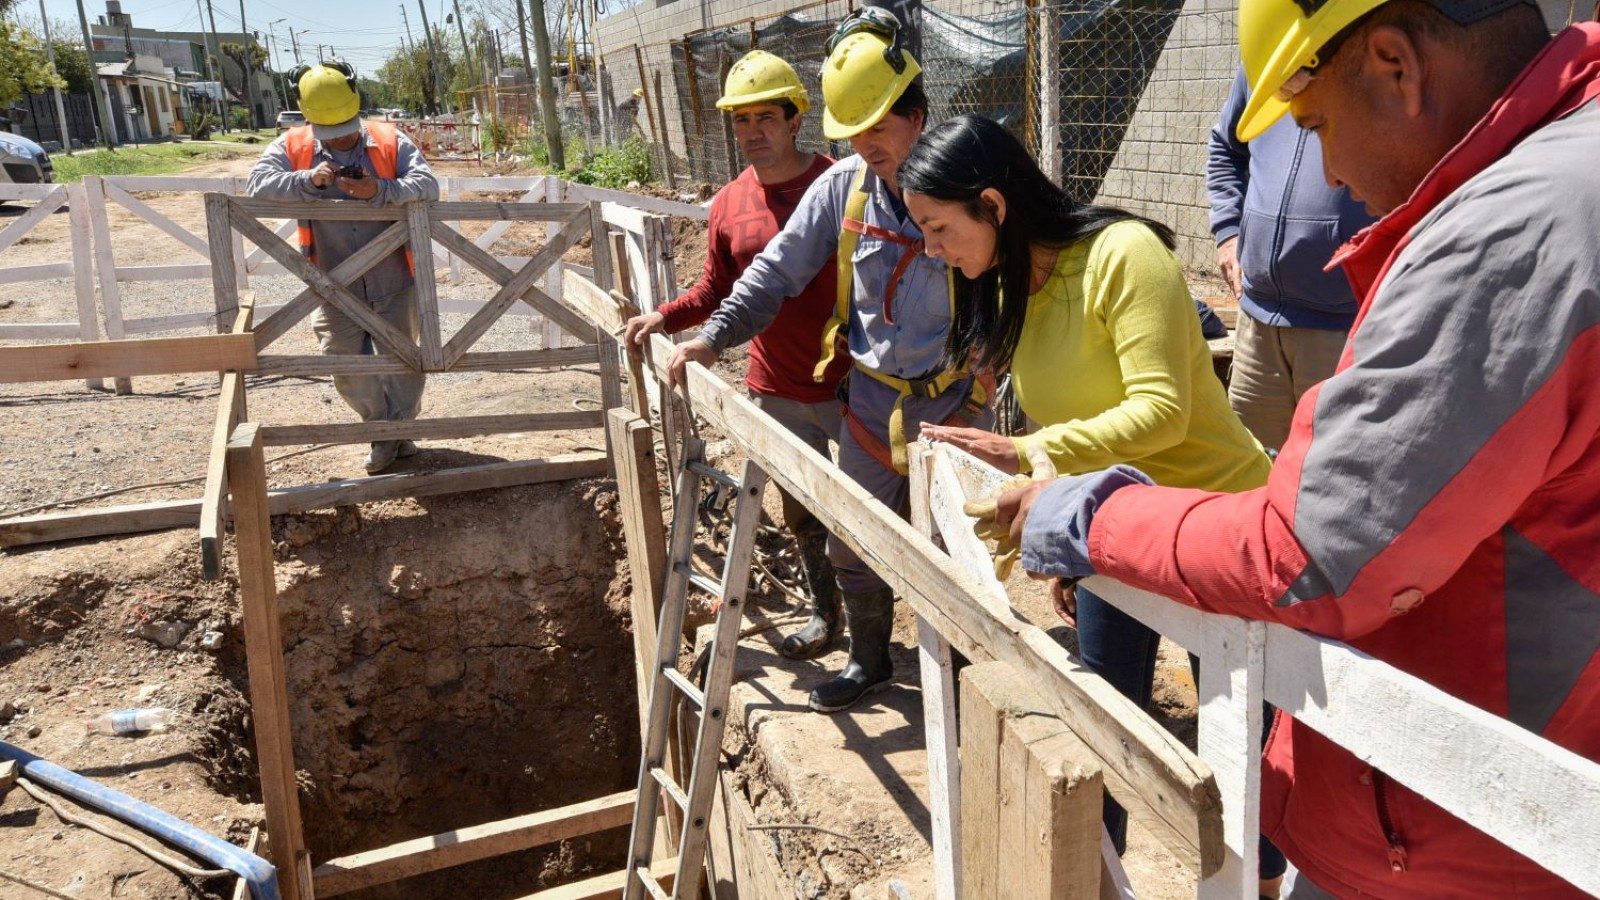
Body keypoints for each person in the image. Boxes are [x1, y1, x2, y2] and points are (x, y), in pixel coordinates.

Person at [999, 2, 1600, 896]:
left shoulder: (1509, 233)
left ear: (1395, 63)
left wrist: (1082, 513)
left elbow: (1308, 553)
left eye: (1313, 124)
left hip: (1463, 838)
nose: (1326, 170)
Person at [898, 115, 1278, 885]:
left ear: (994, 207)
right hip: (1116, 530)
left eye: (939, 228)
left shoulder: (1123, 256)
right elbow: (1072, 423)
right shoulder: (1018, 288)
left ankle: (1260, 886)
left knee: (1242, 755)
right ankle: (1098, 881)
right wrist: (1066, 539)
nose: (932, 250)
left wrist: (1031, 455)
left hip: (1217, 524)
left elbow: (1162, 410)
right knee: (1105, 738)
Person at [665, 8, 989, 713]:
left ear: (918, 116)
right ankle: (871, 659)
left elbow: (1012, 283)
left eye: (881, 126)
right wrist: (712, 336)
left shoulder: (972, 182)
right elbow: (773, 273)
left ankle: (965, 681)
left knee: (964, 550)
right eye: (854, 131)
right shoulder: (843, 190)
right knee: (855, 540)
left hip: (957, 401)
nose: (868, 145)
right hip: (873, 402)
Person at [624, 51, 851, 661]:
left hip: (849, 385)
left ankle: (879, 634)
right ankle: (824, 613)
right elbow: (715, 290)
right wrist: (665, 317)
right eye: (741, 120)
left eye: (765, 118)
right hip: (774, 385)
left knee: (869, 511)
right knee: (800, 510)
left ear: (795, 119)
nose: (752, 132)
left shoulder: (838, 187)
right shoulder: (728, 203)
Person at [246, 60, 440, 474]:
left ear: (357, 108)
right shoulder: (293, 146)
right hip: (331, 282)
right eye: (332, 133)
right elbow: (256, 184)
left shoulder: (391, 140)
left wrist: (380, 190)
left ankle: (398, 433)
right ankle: (380, 431)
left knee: (406, 361)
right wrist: (307, 182)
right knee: (343, 361)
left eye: (348, 128)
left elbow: (428, 186)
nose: (343, 138)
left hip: (394, 277)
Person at [1207, 67, 1374, 452]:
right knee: (1250, 471)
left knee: (1331, 475)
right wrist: (1229, 233)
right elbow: (1226, 149)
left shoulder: (1366, 57)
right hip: (1257, 326)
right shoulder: (1264, 61)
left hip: (1345, 326)